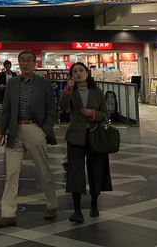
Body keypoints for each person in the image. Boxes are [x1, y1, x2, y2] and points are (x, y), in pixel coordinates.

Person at [0, 50, 58, 228]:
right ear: (18, 63)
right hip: (14, 131)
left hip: (35, 129)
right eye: (22, 60)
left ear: (35, 63)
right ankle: (8, 214)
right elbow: (6, 109)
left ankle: (52, 204)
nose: (25, 63)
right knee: (11, 174)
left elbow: (52, 111)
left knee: (44, 171)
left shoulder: (44, 83)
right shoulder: (12, 83)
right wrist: (1, 130)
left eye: (29, 60)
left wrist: (43, 131)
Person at [59, 62, 112, 223]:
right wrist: (66, 91)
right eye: (74, 71)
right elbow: (62, 108)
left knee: (96, 169)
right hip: (76, 136)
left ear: (87, 73)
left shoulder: (97, 92)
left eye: (81, 70)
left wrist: (93, 113)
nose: (78, 73)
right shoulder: (70, 92)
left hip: (95, 135)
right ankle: (76, 210)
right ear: (71, 75)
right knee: (75, 172)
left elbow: (105, 114)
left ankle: (94, 203)